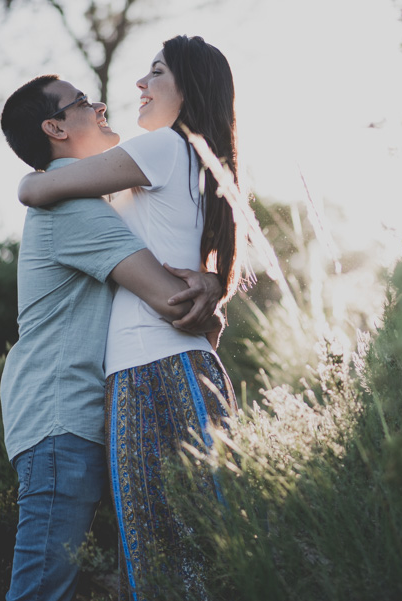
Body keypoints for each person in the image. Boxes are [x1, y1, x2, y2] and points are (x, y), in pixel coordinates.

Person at [18, 35, 243, 599]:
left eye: (157, 72)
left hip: (156, 366)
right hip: (151, 369)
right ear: (54, 127)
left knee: (175, 556)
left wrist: (28, 181)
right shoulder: (165, 166)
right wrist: (212, 294)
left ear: (190, 89)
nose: (139, 84)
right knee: (185, 552)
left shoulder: (164, 146)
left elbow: (43, 188)